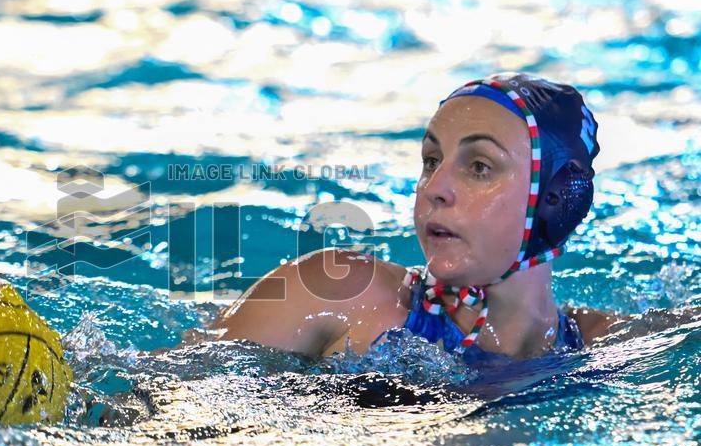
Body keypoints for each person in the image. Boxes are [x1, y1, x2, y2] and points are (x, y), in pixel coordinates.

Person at [210, 73, 627, 363]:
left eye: (479, 166)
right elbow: (162, 401)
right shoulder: (335, 293)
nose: (432, 187)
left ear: (555, 199)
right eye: (431, 160)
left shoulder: (604, 347)